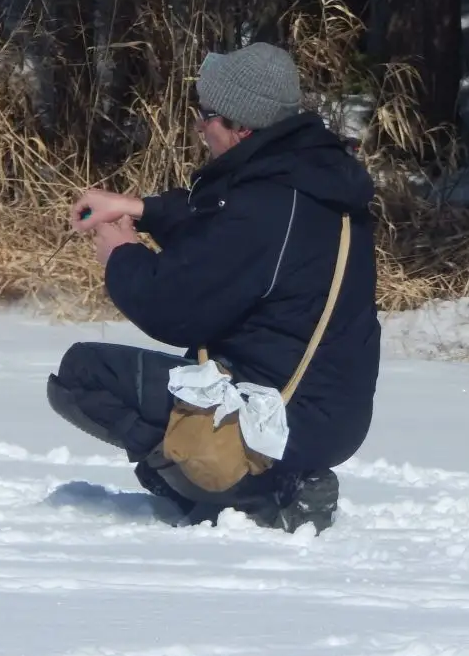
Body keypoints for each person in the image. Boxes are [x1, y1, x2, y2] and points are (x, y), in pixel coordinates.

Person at [47, 42, 380, 533]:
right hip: (326, 412)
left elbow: (171, 306)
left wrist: (121, 255)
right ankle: (246, 480)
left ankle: (259, 493)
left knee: (81, 376)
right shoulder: (309, 177)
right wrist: (138, 209)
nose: (199, 126)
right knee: (183, 381)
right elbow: (217, 222)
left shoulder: (267, 206)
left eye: (207, 116)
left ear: (241, 127)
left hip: (281, 417)